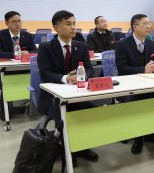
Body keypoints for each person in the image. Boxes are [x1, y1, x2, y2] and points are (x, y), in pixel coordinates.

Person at [37, 10, 98, 167]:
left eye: (74, 24)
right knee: (64, 118)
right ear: (56, 27)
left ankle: (82, 146)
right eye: (68, 24)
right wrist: (65, 78)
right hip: (53, 99)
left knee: (92, 112)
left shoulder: (81, 46)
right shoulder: (46, 47)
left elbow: (90, 69)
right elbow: (45, 74)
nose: (73, 28)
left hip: (77, 95)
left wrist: (81, 75)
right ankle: (67, 149)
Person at [115, 14, 154, 154]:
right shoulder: (122, 44)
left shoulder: (151, 44)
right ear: (135, 26)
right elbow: (122, 69)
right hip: (129, 87)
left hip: (148, 85)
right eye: (145, 23)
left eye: (149, 23)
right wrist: (142, 69)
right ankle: (138, 138)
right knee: (137, 102)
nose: (149, 26)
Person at [0, 11, 37, 121]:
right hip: (6, 69)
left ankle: (31, 107)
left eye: (19, 21)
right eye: (14, 21)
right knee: (7, 85)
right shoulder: (1, 35)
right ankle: (5, 110)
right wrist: (16, 54)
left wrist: (28, 54)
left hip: (24, 68)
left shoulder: (27, 35)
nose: (17, 24)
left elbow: (35, 50)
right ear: (7, 23)